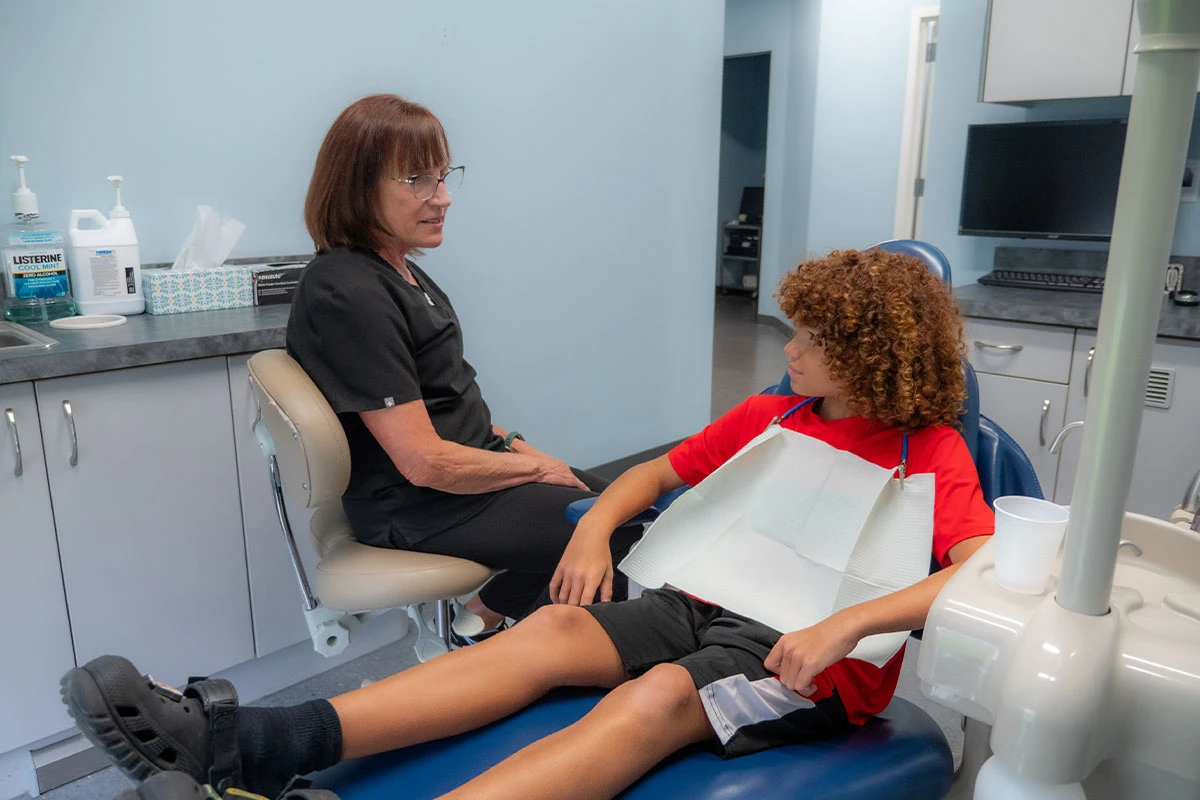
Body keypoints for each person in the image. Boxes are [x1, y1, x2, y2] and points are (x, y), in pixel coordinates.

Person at [63, 249, 995, 800]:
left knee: (654, 701)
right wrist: (592, 531)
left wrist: (849, 625)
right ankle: (243, 745)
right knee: (548, 630)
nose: (787, 347)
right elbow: (654, 475)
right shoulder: (775, 415)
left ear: (868, 356)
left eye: (809, 339)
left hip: (808, 663)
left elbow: (977, 569)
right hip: (701, 603)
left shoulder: (932, 454)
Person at [286, 94, 642, 631]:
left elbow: (448, 402)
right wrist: (538, 470)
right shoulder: (348, 293)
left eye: (443, 177)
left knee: (633, 505)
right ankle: (521, 650)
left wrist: (521, 448)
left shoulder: (398, 269)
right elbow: (423, 461)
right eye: (418, 181)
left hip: (465, 477)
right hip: (422, 506)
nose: (443, 198)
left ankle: (480, 621)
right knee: (623, 531)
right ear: (358, 187)